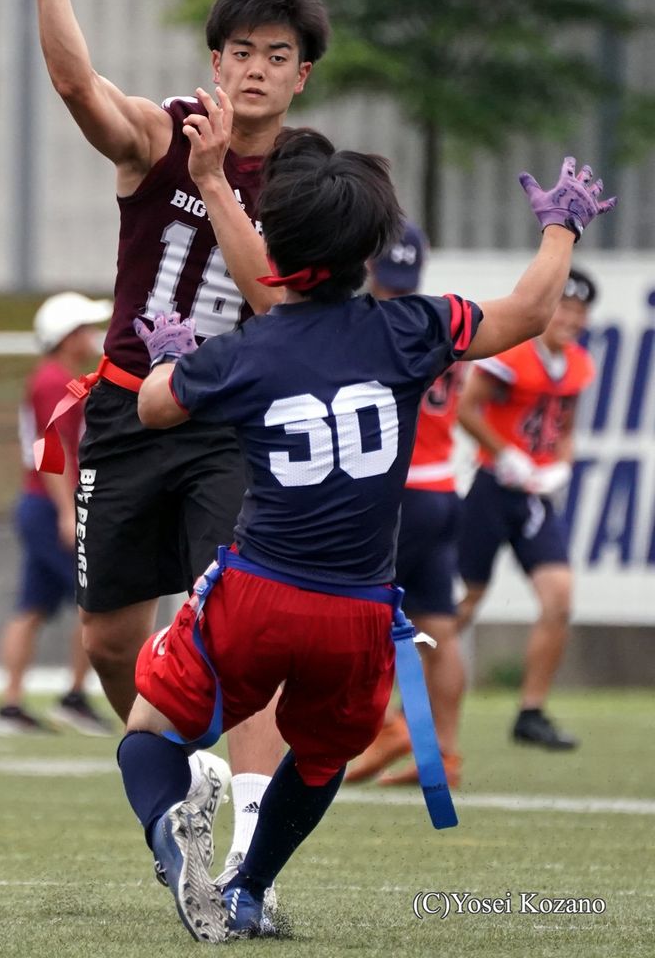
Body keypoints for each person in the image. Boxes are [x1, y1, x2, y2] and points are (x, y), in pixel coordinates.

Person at [116, 139, 615, 942]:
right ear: (373, 250)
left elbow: (152, 407)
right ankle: (250, 891)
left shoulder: (250, 350)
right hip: (357, 612)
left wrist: (180, 360)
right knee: (318, 759)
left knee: (151, 730)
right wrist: (561, 230)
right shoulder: (412, 329)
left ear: (276, 248)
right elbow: (526, 313)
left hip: (257, 591)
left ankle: (176, 842)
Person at [17, 0, 330, 876]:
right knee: (111, 637)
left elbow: (279, 295)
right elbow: (73, 83)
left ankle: (247, 863)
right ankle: (177, 766)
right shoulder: (160, 133)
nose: (251, 69)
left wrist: (215, 185)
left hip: (232, 421)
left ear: (298, 75)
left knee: (237, 624)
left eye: (273, 55)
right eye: (237, 49)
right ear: (213, 56)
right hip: (121, 411)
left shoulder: (308, 176)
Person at [344, 223, 466, 789]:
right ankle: (443, 753)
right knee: (438, 626)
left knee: (364, 619)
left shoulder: (369, 325)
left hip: (397, 492)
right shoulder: (441, 322)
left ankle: (391, 726)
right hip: (443, 489)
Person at [456, 268, 599, 750]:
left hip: (534, 495)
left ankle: (531, 711)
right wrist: (506, 454)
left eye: (580, 310)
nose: (572, 317)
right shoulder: (514, 354)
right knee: (462, 604)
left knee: (559, 597)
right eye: (565, 306)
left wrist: (560, 467)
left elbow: (566, 427)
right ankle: (403, 701)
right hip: (494, 488)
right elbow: (467, 409)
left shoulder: (578, 364)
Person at [0, 292, 114, 737]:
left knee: (33, 606)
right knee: (94, 602)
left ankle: (12, 704)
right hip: (48, 505)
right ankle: (74, 697)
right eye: (82, 328)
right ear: (66, 336)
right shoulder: (51, 381)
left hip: (42, 504)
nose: (91, 335)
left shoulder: (63, 378)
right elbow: (49, 452)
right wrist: (68, 511)